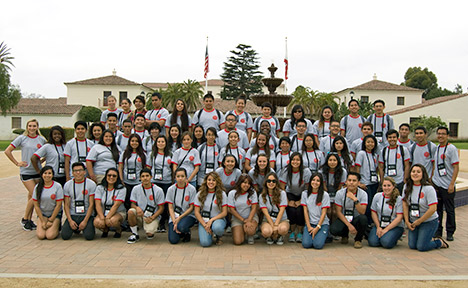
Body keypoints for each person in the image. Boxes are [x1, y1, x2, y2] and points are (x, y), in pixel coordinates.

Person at [5, 119, 47, 230]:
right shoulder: (22, 138)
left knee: (31, 197)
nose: (32, 128)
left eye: (34, 126)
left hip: (37, 172)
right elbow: (7, 151)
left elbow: (49, 150)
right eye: (30, 126)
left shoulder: (41, 140)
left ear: (37, 127)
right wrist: (17, 163)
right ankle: (24, 219)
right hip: (26, 172)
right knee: (35, 195)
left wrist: (41, 161)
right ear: (27, 127)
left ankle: (29, 220)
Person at [402, 164, 449, 251]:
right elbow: (404, 204)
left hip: (428, 221)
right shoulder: (407, 186)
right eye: (413, 172)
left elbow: (433, 208)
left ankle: (438, 242)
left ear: (423, 174)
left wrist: (419, 221)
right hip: (414, 221)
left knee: (422, 247)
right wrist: (407, 221)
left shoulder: (429, 188)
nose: (415, 174)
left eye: (418, 172)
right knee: (412, 245)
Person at [433, 126, 459, 241]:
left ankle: (450, 231)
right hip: (437, 184)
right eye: (439, 133)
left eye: (443, 134)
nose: (440, 136)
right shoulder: (437, 148)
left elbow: (456, 167)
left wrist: (452, 183)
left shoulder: (451, 149)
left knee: (449, 210)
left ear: (447, 135)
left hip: (447, 184)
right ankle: (438, 231)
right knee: (437, 210)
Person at [279, 152, 312, 243]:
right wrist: (288, 201)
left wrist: (301, 200)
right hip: (290, 193)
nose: (295, 162)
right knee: (292, 210)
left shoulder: (306, 171)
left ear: (301, 161)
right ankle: (292, 232)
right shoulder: (286, 170)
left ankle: (300, 232)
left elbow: (308, 188)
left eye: (297, 160)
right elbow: (282, 188)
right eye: (293, 160)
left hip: (303, 193)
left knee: (300, 210)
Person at [330, 172, 368, 249]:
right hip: (344, 218)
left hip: (356, 218)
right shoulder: (340, 193)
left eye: (354, 181)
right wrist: (349, 225)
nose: (351, 183)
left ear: (358, 183)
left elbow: (362, 212)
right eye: (349, 180)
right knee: (334, 229)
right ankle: (344, 235)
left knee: (363, 219)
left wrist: (355, 199)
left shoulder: (363, 194)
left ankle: (358, 240)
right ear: (346, 182)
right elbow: (338, 212)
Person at [127, 168, 165, 243]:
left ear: (151, 177)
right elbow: (132, 204)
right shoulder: (136, 188)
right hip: (140, 214)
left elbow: (161, 208)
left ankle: (149, 229)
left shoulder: (158, 190)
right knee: (131, 212)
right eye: (143, 176)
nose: (145, 178)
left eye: (147, 176)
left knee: (149, 233)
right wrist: (136, 208)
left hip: (152, 216)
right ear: (140, 178)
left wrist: (152, 217)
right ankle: (135, 234)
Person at [62, 162, 97, 240]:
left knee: (89, 237)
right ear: (72, 172)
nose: (78, 173)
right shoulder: (68, 185)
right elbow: (66, 204)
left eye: (80, 170)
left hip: (86, 215)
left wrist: (85, 221)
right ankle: (75, 227)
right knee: (65, 236)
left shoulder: (91, 184)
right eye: (75, 171)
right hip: (73, 214)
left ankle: (83, 226)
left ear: (84, 172)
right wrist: (70, 220)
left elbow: (91, 204)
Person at [368, 177, 404, 249]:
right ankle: (386, 236)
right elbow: (373, 212)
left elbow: (399, 217)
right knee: (373, 242)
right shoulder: (377, 196)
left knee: (386, 243)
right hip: (380, 224)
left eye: (389, 185)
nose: (386, 188)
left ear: (393, 186)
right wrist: (378, 227)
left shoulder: (399, 199)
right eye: (384, 186)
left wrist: (386, 230)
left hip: (394, 226)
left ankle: (393, 237)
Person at [194, 172, 228, 247]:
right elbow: (196, 212)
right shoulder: (200, 194)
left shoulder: (222, 194)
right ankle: (209, 232)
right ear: (206, 181)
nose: (211, 182)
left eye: (213, 180)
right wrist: (204, 224)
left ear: (217, 182)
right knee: (205, 243)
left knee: (217, 228)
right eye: (209, 180)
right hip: (204, 220)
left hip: (217, 219)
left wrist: (212, 220)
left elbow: (224, 212)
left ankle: (218, 236)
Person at [166, 168, 197, 244]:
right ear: (175, 177)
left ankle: (186, 232)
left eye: (182, 176)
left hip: (188, 215)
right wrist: (174, 221)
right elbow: (170, 207)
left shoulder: (191, 189)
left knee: (182, 227)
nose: (180, 178)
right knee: (173, 240)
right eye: (178, 176)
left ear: (186, 177)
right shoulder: (171, 189)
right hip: (174, 216)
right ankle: (179, 231)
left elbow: (191, 207)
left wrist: (179, 218)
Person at [93, 168, 126, 238]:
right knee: (97, 222)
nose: (111, 177)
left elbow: (116, 205)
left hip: (118, 212)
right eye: (109, 175)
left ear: (117, 178)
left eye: (114, 176)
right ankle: (105, 230)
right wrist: (102, 218)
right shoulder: (100, 187)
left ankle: (118, 229)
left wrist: (107, 218)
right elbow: (97, 204)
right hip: (103, 212)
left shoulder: (122, 189)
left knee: (112, 221)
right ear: (106, 176)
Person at [32, 166, 63, 240]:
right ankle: (45, 224)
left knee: (50, 236)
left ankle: (57, 226)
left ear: (52, 175)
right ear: (42, 175)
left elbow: (58, 205)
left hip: (54, 215)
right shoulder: (37, 187)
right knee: (41, 236)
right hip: (43, 214)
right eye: (45, 173)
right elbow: (36, 206)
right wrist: (42, 221)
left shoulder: (57, 186)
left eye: (49, 173)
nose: (47, 175)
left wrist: (51, 220)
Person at [301, 173, 330, 249]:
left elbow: (324, 213)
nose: (315, 182)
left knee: (318, 245)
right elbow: (305, 212)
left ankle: (324, 234)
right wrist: (309, 226)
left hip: (322, 224)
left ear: (321, 183)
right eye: (313, 180)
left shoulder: (325, 195)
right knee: (306, 244)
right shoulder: (305, 194)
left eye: (318, 181)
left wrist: (317, 227)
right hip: (310, 223)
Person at [259, 172, 289, 245]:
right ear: (266, 182)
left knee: (282, 229)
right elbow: (265, 213)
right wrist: (272, 225)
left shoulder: (282, 193)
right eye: (269, 181)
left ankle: (280, 236)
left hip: (282, 219)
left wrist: (276, 225)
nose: (271, 183)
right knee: (266, 232)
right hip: (268, 220)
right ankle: (269, 236)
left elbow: (282, 210)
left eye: (273, 181)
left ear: (276, 183)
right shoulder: (262, 195)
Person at [228, 174, 259, 245]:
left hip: (251, 217)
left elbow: (254, 208)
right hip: (237, 218)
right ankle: (241, 230)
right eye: (244, 182)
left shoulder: (253, 192)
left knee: (250, 230)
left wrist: (249, 220)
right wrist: (243, 220)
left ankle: (250, 234)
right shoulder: (232, 193)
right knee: (238, 242)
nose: (246, 185)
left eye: (248, 183)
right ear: (240, 183)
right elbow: (232, 210)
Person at [355, 135, 380, 223]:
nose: (370, 144)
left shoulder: (375, 155)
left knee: (373, 205)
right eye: (368, 142)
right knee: (367, 205)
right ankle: (366, 224)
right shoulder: (361, 153)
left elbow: (376, 169)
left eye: (372, 142)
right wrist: (359, 183)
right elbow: (357, 168)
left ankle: (371, 222)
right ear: (364, 143)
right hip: (365, 183)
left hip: (374, 182)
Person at [118, 134, 146, 209]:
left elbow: (145, 168)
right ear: (129, 142)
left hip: (138, 182)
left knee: (137, 201)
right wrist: (121, 179)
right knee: (127, 200)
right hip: (126, 181)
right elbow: (120, 167)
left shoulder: (143, 155)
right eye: (132, 141)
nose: (134, 143)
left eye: (136, 141)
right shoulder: (124, 154)